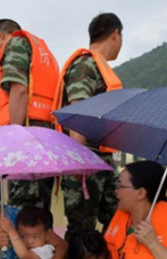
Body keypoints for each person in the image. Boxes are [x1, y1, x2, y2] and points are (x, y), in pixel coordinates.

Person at [52, 12, 124, 241]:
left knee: (117, 218)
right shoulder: (85, 64)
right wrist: (78, 164)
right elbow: (78, 111)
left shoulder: (102, 68)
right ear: (116, 34)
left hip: (102, 160)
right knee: (82, 228)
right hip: (85, 161)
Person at [0, 19, 59, 211]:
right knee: (41, 210)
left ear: (0, 36)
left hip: (26, 134)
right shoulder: (45, 54)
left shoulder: (17, 43)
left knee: (22, 211)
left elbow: (19, 90)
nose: (0, 53)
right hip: (48, 135)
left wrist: (15, 136)